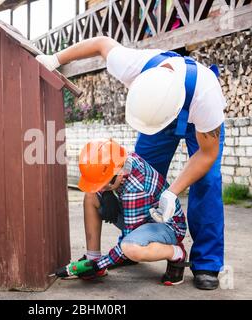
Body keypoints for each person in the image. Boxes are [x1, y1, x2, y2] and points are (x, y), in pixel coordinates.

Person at [37, 36, 226, 290]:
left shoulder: (206, 97)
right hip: (154, 114)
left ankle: (207, 262)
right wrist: (55, 59)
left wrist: (172, 192)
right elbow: (101, 43)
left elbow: (206, 155)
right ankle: (138, 242)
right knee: (142, 173)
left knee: (207, 182)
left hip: (197, 117)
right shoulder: (134, 66)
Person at [72, 139, 187, 286]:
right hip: (145, 216)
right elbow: (104, 182)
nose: (100, 188)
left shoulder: (136, 188)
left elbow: (126, 242)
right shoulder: (121, 161)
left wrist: (98, 266)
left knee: (130, 248)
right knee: (91, 195)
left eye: (103, 185)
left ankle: (176, 253)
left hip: (169, 227)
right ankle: (92, 257)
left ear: (119, 175)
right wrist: (107, 193)